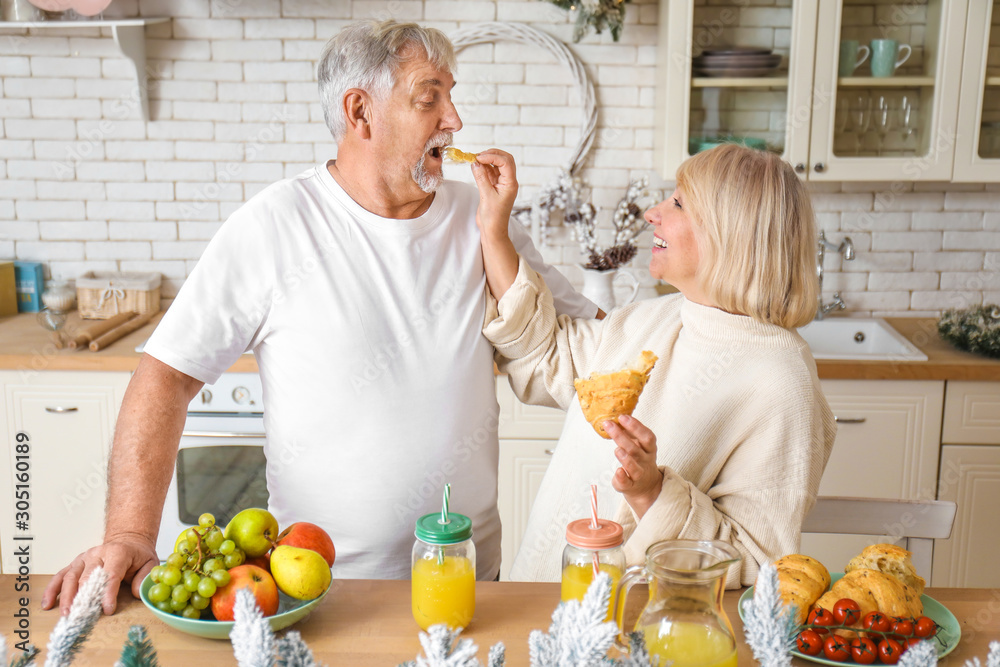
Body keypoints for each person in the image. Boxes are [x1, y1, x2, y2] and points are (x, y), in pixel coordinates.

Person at [42, 19, 598, 615]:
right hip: (318, 592)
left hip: (466, 577)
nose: (454, 119)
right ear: (360, 112)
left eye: (451, 96)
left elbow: (588, 341)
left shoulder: (484, 217)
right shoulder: (275, 225)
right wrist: (128, 537)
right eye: (429, 97)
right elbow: (165, 376)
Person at [471, 143, 838, 588]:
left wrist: (651, 493)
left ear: (731, 233)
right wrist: (494, 230)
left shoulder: (781, 381)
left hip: (639, 635)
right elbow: (548, 354)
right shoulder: (655, 317)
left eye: (679, 203)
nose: (652, 213)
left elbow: (757, 567)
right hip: (542, 603)